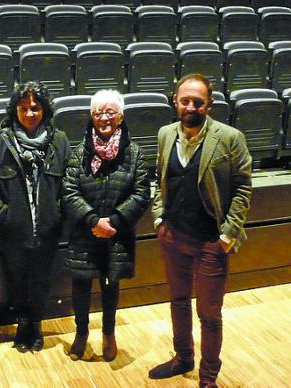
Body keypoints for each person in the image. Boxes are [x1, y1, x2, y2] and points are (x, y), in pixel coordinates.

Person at [147, 74, 252, 388]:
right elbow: (159, 179)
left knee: (209, 313)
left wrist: (227, 236)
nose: (190, 106)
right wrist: (158, 220)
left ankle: (208, 378)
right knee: (178, 301)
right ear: (175, 100)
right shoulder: (166, 134)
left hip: (210, 242)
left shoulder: (230, 137)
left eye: (198, 102)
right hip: (174, 236)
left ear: (210, 104)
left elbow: (243, 189)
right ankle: (183, 358)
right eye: (185, 100)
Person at [62, 89, 150, 362]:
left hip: (116, 234)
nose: (104, 118)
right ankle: (81, 333)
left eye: (110, 112)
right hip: (84, 233)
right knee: (81, 286)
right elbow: (69, 191)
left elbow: (142, 193)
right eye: (99, 113)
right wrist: (92, 220)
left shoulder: (134, 154)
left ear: (121, 117)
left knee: (111, 286)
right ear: (91, 116)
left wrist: (113, 221)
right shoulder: (79, 153)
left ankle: (109, 334)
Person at [0, 81, 71, 353]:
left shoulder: (59, 141)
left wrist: (57, 213)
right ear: (15, 111)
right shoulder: (0, 142)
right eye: (24, 108)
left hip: (48, 228)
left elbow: (68, 183)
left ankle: (36, 324)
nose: (30, 113)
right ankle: (22, 324)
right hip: (13, 230)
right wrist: (5, 215)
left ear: (44, 110)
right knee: (17, 278)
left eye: (35, 107)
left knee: (42, 280)